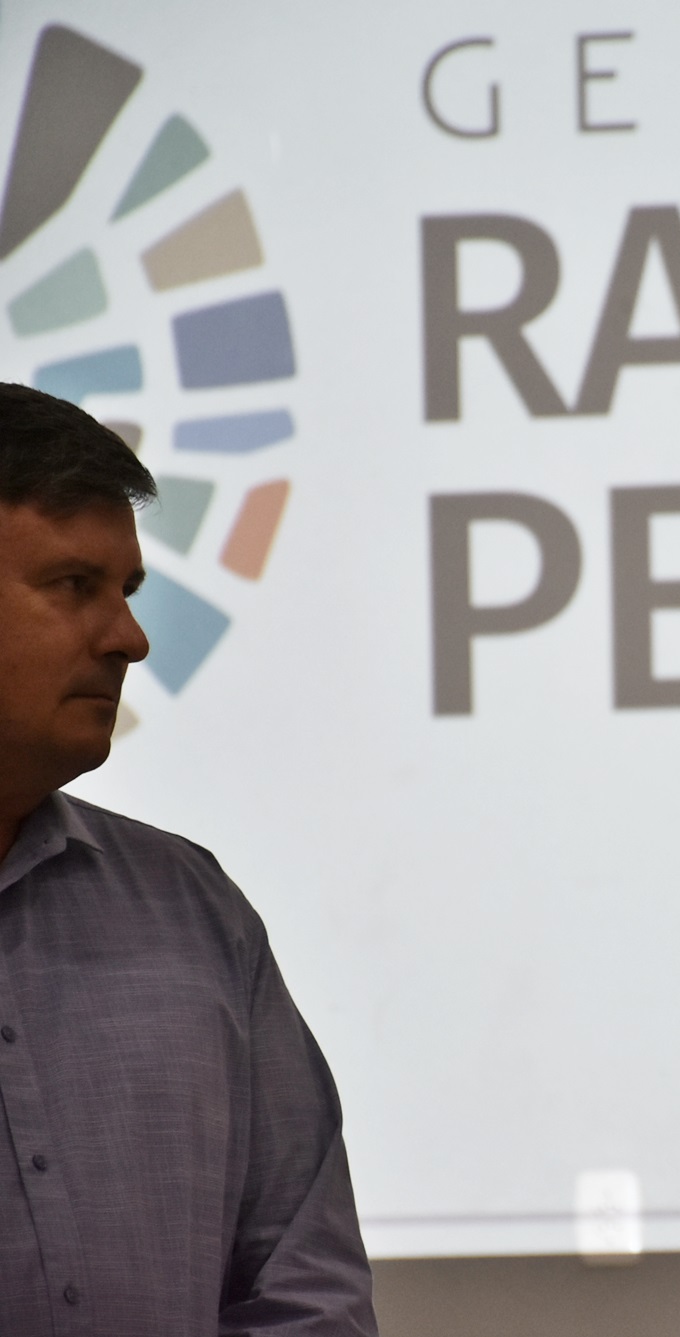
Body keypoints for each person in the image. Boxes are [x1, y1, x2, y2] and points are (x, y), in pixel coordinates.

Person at [0, 383, 376, 1335]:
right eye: (74, 585)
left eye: (126, 592)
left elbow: (307, 1291)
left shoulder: (194, 913)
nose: (130, 638)